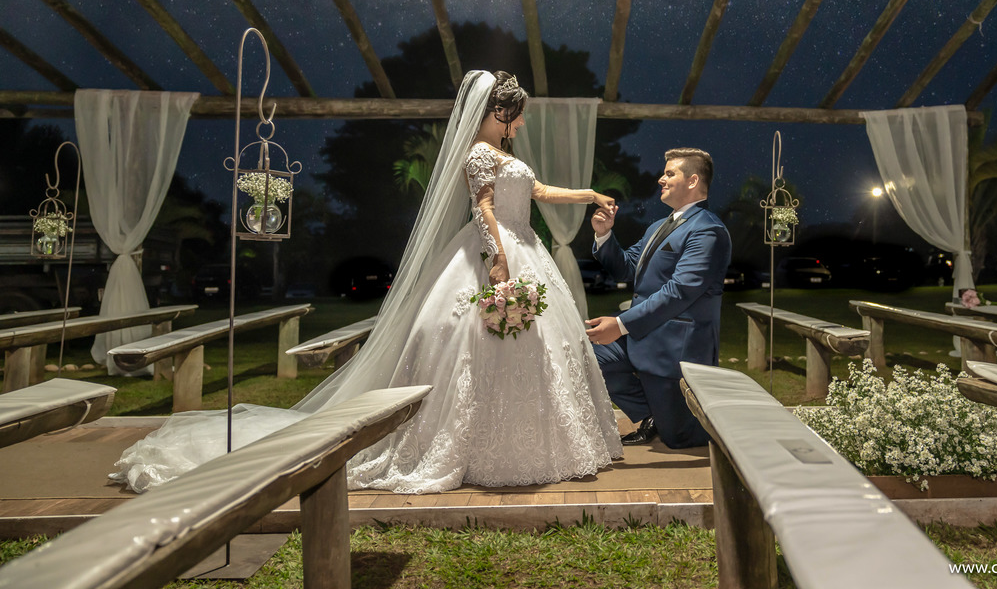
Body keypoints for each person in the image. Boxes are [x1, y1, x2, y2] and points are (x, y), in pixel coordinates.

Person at [111, 70, 622, 494]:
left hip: (524, 245)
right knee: (469, 345)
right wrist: (498, 261)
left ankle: (537, 440)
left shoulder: (508, 156)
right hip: (498, 249)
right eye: (519, 113)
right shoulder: (479, 155)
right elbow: (484, 207)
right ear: (500, 113)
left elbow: (539, 191)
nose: (523, 121)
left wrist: (589, 195)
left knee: (538, 346)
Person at [585, 148, 731, 449]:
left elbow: (679, 291)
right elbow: (625, 267)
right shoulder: (658, 227)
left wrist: (621, 324)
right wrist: (604, 235)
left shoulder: (708, 230)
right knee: (589, 354)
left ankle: (679, 421)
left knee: (679, 439)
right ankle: (649, 414)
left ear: (692, 181)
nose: (660, 179)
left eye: (669, 173)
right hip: (643, 334)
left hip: (675, 348)